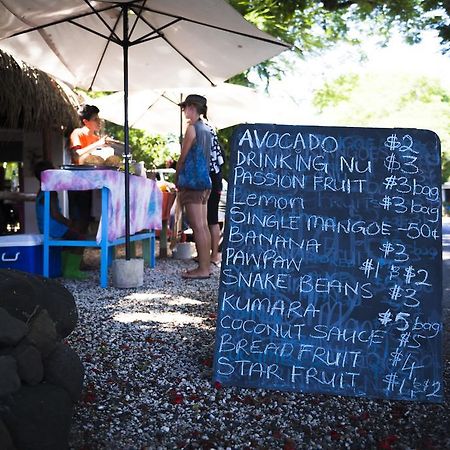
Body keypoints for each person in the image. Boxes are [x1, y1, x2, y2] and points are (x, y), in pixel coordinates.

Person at [176, 94, 212, 280]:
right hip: (205, 181)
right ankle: (205, 267)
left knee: (198, 227)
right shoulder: (207, 128)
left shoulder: (192, 129)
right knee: (203, 226)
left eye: (185, 108)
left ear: (191, 107)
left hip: (192, 182)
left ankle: (203, 269)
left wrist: (177, 175)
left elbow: (183, 157)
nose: (184, 111)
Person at [34, 160, 87, 280]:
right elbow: (55, 215)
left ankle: (63, 268)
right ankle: (71, 270)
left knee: (70, 240)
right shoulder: (51, 192)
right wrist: (70, 223)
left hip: (46, 227)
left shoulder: (41, 191)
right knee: (81, 238)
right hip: (53, 228)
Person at [68, 104, 110, 234]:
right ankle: (70, 253)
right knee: (77, 222)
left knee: (87, 222)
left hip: (92, 184)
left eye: (98, 118)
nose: (99, 122)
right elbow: (77, 154)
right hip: (77, 183)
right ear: (86, 122)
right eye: (95, 119)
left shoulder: (96, 138)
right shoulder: (77, 133)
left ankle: (80, 253)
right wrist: (97, 145)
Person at [206, 126, 224, 266]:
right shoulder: (217, 151)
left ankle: (214, 255)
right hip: (216, 182)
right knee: (210, 220)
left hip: (212, 183)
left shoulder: (210, 155)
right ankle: (211, 254)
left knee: (211, 219)